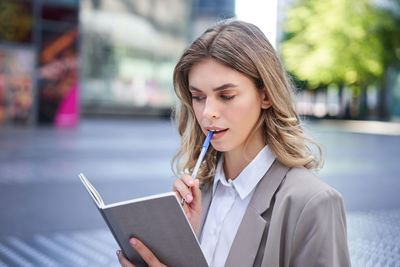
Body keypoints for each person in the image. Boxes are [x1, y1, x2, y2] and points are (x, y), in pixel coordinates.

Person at [117, 19, 351, 267]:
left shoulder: (312, 203)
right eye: (198, 97)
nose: (208, 112)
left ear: (266, 95)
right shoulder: (195, 197)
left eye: (226, 96)